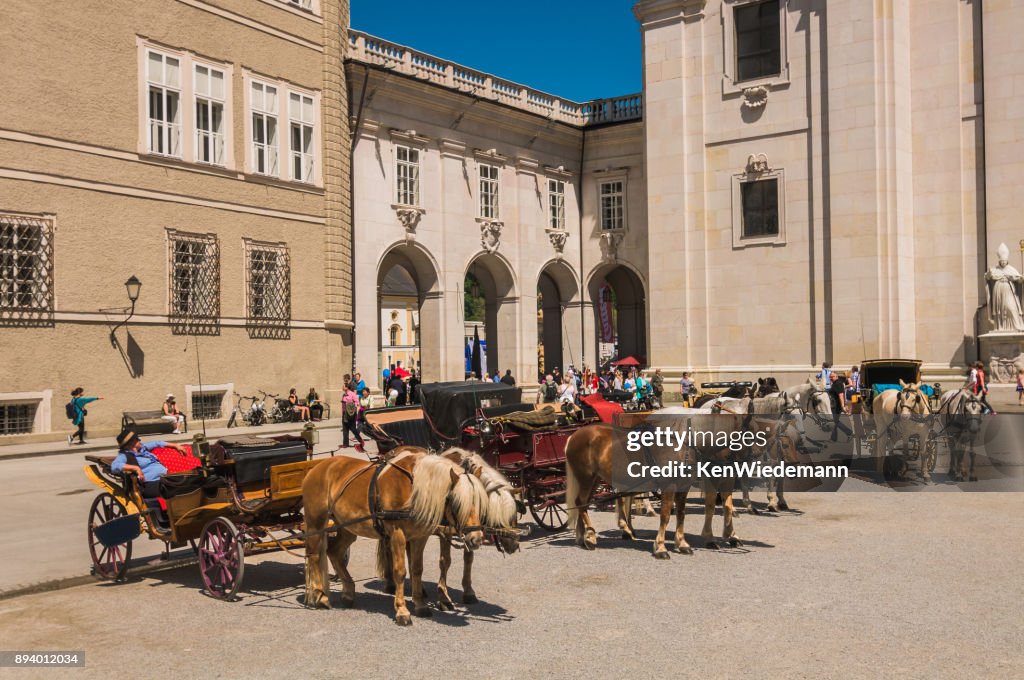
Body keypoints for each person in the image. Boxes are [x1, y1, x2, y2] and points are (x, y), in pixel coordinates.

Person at [111, 430, 190, 498]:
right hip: (150, 485)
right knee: (177, 487)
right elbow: (114, 466)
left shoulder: (143, 448)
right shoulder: (124, 455)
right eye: (137, 439)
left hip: (164, 478)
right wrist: (136, 468)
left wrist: (176, 446)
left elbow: (157, 443)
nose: (140, 440)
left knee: (188, 480)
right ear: (131, 443)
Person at [828, 375, 854, 442]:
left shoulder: (838, 384)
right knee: (835, 421)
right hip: (835, 405)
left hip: (837, 406)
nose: (831, 378)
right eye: (830, 377)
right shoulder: (835, 383)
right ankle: (833, 438)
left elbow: (841, 395)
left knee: (835, 421)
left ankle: (849, 433)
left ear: (836, 377)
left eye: (832, 377)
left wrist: (842, 406)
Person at [340, 383, 365, 453]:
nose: (342, 387)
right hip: (344, 414)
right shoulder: (343, 395)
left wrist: (351, 404)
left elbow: (357, 403)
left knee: (353, 428)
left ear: (347, 387)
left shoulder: (352, 394)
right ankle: (345, 444)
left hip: (351, 414)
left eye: (343, 386)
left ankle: (360, 440)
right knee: (345, 428)